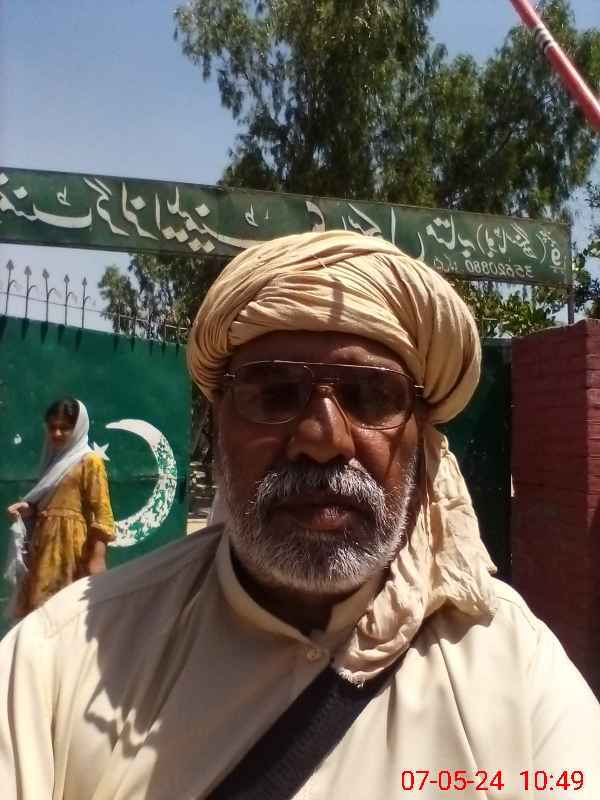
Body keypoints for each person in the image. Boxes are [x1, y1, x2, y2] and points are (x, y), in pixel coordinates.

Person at [0, 232, 599, 799]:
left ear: (423, 442)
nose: (322, 439)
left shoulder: (514, 667)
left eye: (371, 397)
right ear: (215, 429)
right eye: (275, 394)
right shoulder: (55, 663)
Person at [5, 397, 115, 619]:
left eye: (64, 428)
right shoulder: (52, 461)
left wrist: (97, 558)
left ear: (78, 428)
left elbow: (103, 514)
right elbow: (49, 501)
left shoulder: (89, 461)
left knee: (67, 614)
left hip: (71, 551)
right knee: (40, 615)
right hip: (42, 547)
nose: (56, 433)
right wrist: (27, 508)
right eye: (52, 427)